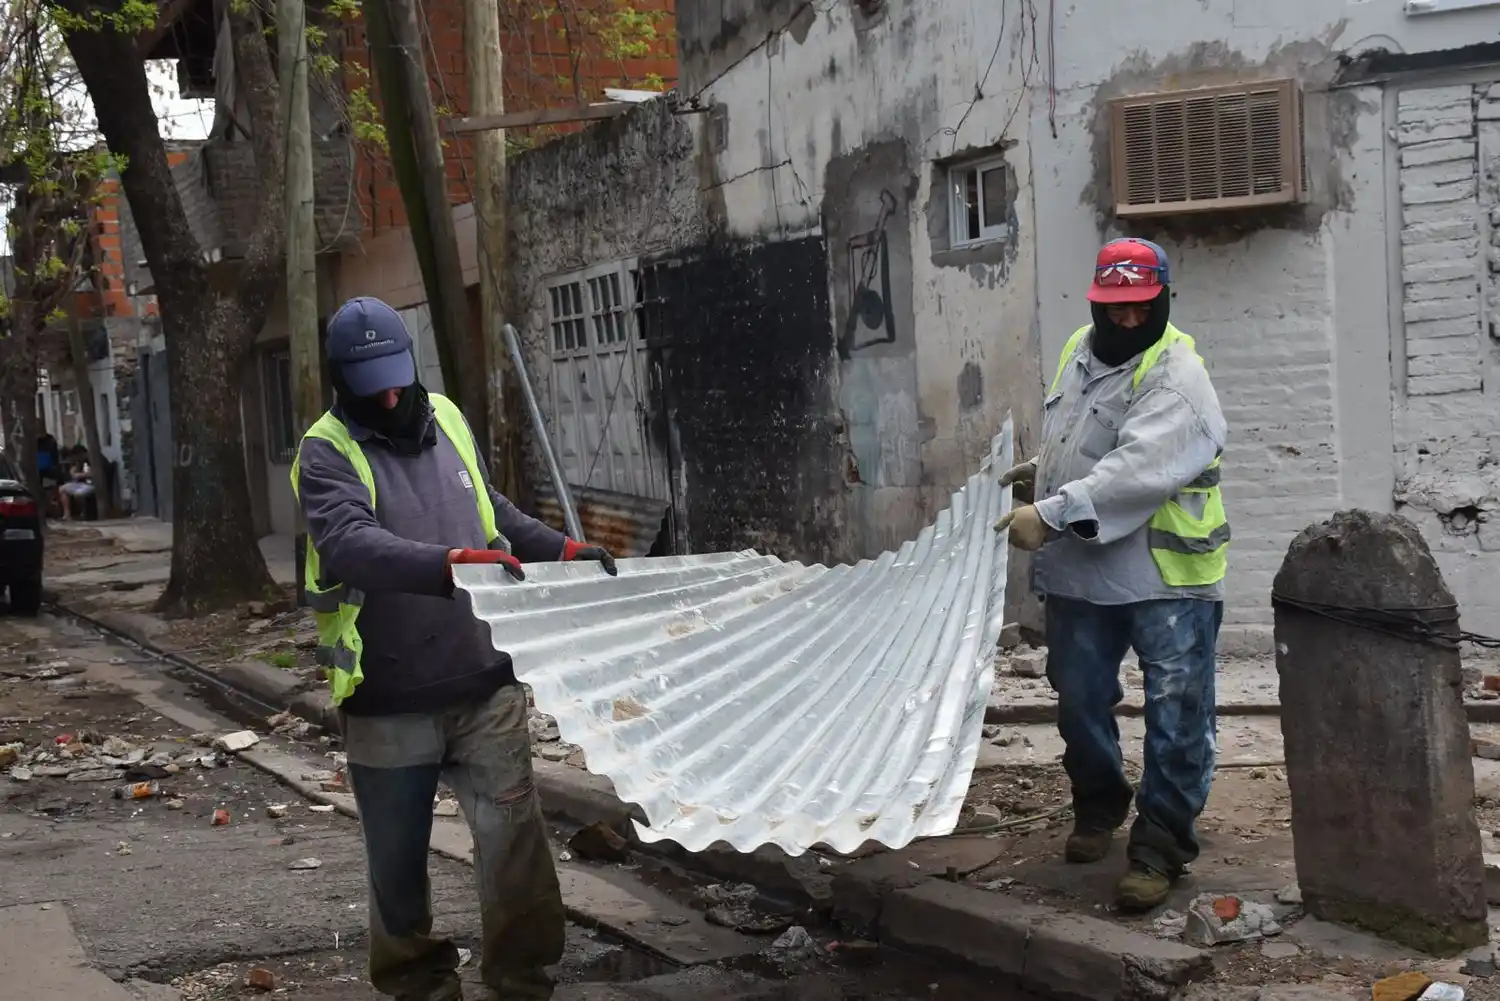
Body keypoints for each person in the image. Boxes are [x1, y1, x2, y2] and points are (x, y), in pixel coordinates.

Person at [291, 296, 619, 1001]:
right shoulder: (325, 451)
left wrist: (558, 548)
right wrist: (449, 564)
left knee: (515, 851)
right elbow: (349, 543)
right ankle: (422, 986)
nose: (387, 392)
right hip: (389, 697)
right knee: (399, 868)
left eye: (395, 373)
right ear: (339, 378)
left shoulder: (444, 416)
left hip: (483, 681)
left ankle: (521, 982)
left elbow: (489, 508)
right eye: (368, 380)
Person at [993, 238, 1229, 912]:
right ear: (1098, 302)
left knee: (1177, 717)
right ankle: (1099, 804)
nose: (1127, 322)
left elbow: (1138, 468)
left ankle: (1161, 845)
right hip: (1084, 570)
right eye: (1115, 309)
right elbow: (1085, 434)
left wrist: (1053, 510)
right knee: (1077, 696)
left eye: (1141, 309)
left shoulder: (1178, 375)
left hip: (1166, 574)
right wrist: (1041, 469)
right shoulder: (1078, 349)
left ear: (1162, 301)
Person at [58, 445, 94, 521]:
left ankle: (79, 513)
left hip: (91, 484)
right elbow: (72, 473)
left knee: (65, 490)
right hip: (82, 484)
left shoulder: (91, 459)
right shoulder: (81, 462)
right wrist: (76, 466)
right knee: (63, 489)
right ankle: (67, 514)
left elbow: (92, 473)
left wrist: (80, 475)